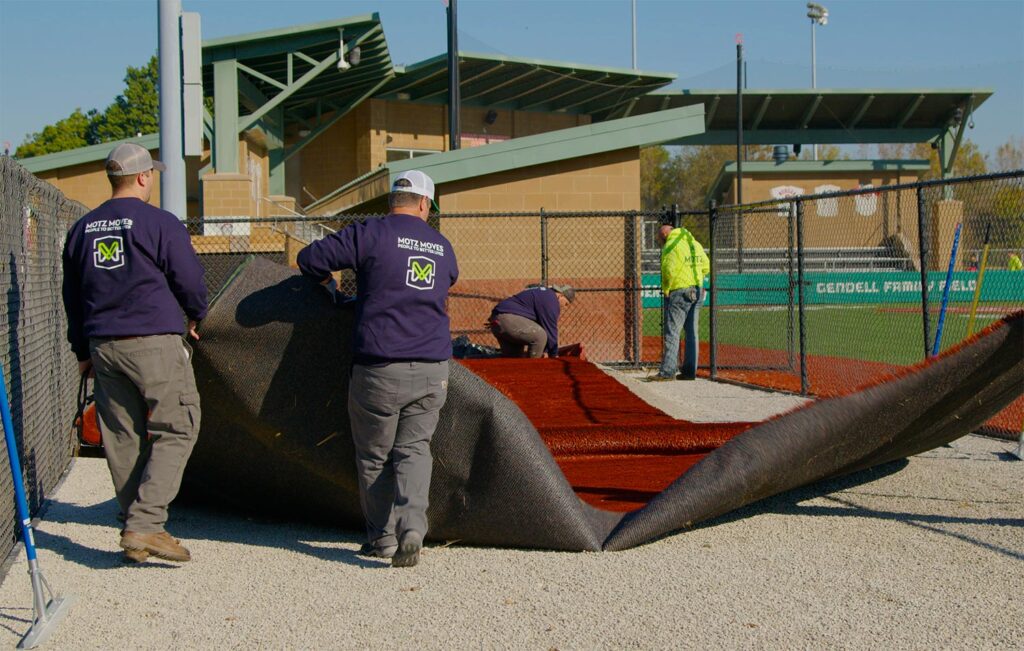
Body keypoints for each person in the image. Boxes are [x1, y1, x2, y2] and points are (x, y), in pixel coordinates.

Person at [297, 170, 458, 568]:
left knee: (374, 455)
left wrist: (331, 289)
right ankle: (413, 528)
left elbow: (310, 260)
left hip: (379, 366)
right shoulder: (442, 246)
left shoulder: (369, 233)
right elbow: (447, 280)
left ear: (393, 201)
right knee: (415, 449)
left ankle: (382, 540)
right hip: (433, 366)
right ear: (425, 204)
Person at [61, 143, 207, 563]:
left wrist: (81, 349)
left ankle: (134, 524)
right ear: (144, 177)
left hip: (103, 345)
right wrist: (197, 314)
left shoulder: (82, 228)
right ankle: (146, 523)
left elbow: (73, 295)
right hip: (153, 341)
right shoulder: (158, 222)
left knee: (122, 437)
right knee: (177, 426)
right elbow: (189, 277)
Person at [652, 223, 710, 381]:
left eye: (660, 238)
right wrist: (697, 278)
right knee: (692, 333)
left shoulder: (671, 245)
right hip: (697, 290)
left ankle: (667, 372)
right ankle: (690, 372)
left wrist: (666, 289)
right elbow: (706, 265)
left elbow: (668, 270)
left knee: (673, 332)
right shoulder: (694, 243)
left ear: (664, 235)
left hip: (679, 291)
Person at [487, 285, 575, 358]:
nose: (564, 306)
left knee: (514, 360)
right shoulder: (551, 299)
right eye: (566, 303)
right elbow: (550, 330)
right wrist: (554, 354)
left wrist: (546, 350)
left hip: (499, 322)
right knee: (540, 336)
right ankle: (534, 369)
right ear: (561, 295)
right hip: (508, 320)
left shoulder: (544, 293)